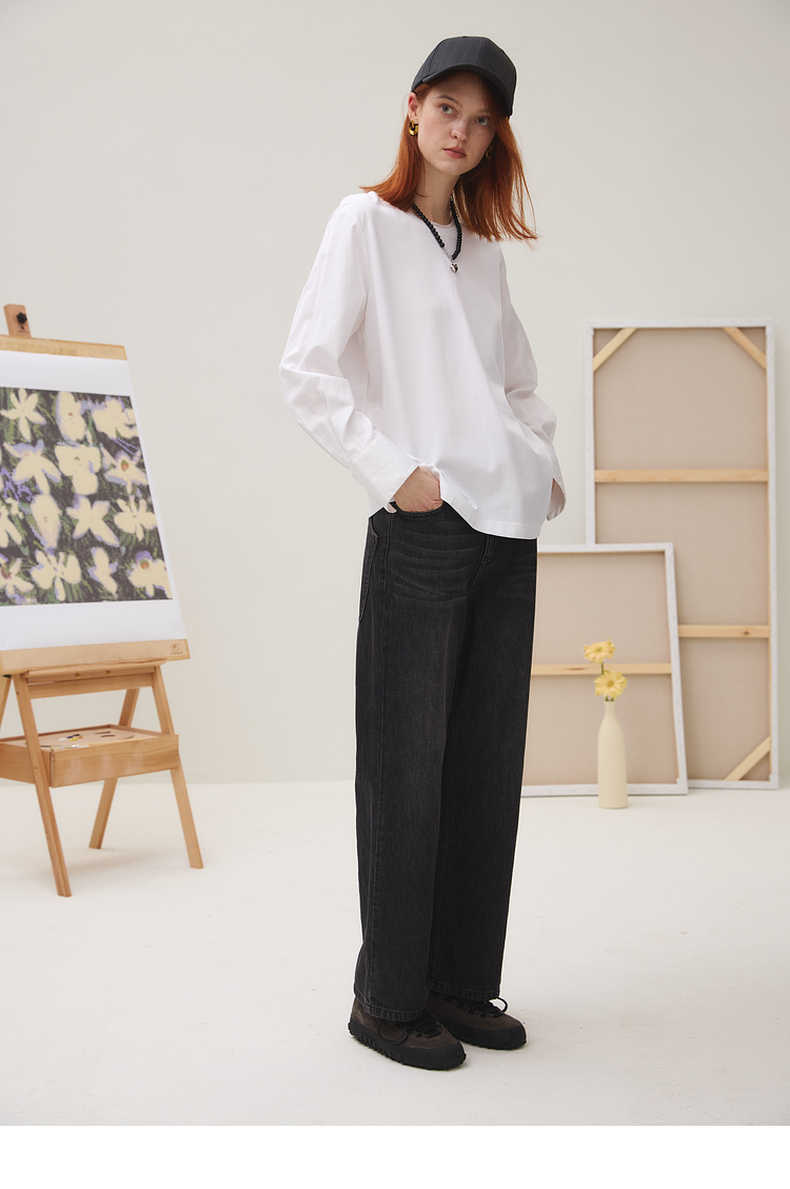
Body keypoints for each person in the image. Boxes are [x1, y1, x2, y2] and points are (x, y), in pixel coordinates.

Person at [280, 35, 565, 1071]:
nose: (461, 130)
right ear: (413, 109)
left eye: (482, 120)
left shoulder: (482, 255)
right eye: (447, 108)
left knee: (484, 771)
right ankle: (388, 999)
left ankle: (456, 981)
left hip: (507, 533)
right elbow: (307, 368)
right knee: (406, 769)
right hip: (426, 529)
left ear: (494, 138)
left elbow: (516, 382)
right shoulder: (364, 222)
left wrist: (538, 467)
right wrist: (396, 471)